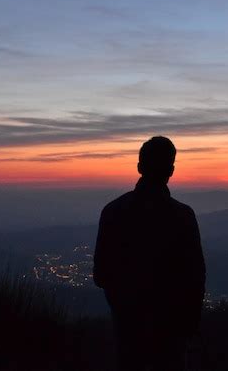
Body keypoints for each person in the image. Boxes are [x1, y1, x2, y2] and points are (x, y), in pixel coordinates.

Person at [93, 135, 206, 371]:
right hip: (172, 332)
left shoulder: (113, 212)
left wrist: (125, 304)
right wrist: (189, 323)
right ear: (171, 170)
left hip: (128, 329)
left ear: (139, 167)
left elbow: (101, 275)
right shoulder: (183, 216)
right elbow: (196, 278)